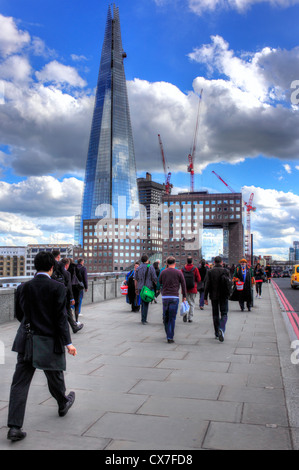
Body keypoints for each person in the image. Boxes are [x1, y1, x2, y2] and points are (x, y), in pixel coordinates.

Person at [7, 251, 77, 442]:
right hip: (48, 341)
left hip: (26, 340)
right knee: (54, 376)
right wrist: (68, 343)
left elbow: (19, 315)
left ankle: (14, 427)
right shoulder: (58, 287)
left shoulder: (23, 287)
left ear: (34, 266)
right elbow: (61, 319)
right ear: (52, 267)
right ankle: (63, 402)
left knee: (19, 383)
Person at [159, 256, 187, 343]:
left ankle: (168, 333)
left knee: (165, 316)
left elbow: (159, 282)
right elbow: (183, 284)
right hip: (174, 297)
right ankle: (170, 336)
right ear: (175, 263)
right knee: (172, 317)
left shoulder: (163, 272)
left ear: (167, 263)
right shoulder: (178, 272)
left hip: (165, 297)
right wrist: (184, 296)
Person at [204, 255, 230, 342]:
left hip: (214, 296)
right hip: (224, 296)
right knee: (224, 314)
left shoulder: (210, 271)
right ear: (222, 262)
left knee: (215, 314)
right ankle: (222, 329)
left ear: (214, 262)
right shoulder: (226, 271)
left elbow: (207, 285)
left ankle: (216, 333)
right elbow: (229, 284)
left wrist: (205, 297)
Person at [134, 254, 157, 325]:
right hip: (148, 287)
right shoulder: (150, 267)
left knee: (143, 302)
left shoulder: (138, 268)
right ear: (147, 260)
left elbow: (136, 279)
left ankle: (143, 318)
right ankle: (144, 319)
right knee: (146, 303)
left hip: (140, 287)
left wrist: (136, 288)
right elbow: (154, 278)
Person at [181, 257, 201, 322]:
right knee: (192, 303)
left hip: (185, 289)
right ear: (192, 262)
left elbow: (180, 278)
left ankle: (185, 315)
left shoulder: (183, 269)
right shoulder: (195, 269)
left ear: (186, 262)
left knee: (185, 302)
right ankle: (190, 318)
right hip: (193, 288)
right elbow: (198, 279)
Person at [67, 258, 85, 327]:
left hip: (69, 287)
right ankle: (76, 320)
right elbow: (80, 278)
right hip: (76, 288)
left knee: (68, 303)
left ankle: (69, 318)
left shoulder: (66, 268)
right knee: (77, 304)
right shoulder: (76, 268)